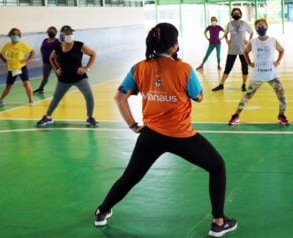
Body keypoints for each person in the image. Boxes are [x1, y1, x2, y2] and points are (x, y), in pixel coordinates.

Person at [94, 23, 237, 237]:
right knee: (217, 167)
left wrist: (133, 125)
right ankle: (218, 221)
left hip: (150, 135)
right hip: (181, 136)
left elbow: (119, 96)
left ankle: (101, 211)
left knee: (130, 176)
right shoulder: (184, 69)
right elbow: (198, 97)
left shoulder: (139, 68)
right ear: (173, 46)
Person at [228, 19, 289, 127]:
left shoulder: (273, 40)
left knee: (282, 97)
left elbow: (282, 50)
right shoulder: (253, 42)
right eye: (258, 27)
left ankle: (281, 115)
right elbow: (245, 52)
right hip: (258, 76)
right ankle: (236, 116)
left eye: (263, 26)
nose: (261, 28)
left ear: (267, 27)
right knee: (247, 97)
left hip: (272, 75)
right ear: (256, 29)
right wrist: (249, 63)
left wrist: (278, 62)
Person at [36, 25, 98, 127]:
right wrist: (57, 69)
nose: (70, 35)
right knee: (56, 98)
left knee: (89, 96)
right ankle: (48, 117)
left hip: (79, 77)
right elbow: (52, 58)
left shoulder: (79, 45)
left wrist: (86, 68)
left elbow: (93, 54)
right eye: (67, 33)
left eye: (71, 33)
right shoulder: (58, 47)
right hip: (64, 78)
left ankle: (90, 117)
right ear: (62, 35)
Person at [0, 28, 35, 107]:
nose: (15, 35)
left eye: (17, 34)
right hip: (11, 68)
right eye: (13, 34)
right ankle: (1, 100)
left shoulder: (22, 45)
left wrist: (27, 60)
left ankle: (30, 100)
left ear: (19, 35)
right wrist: (5, 61)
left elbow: (32, 52)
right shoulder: (6, 45)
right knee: (8, 86)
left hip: (21, 67)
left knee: (26, 84)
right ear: (10, 35)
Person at [212, 8, 253, 92]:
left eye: (238, 13)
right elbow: (226, 33)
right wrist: (226, 40)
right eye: (234, 13)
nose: (236, 14)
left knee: (244, 68)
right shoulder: (229, 24)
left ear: (240, 14)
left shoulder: (244, 23)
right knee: (228, 68)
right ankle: (221, 85)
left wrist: (249, 41)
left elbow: (251, 32)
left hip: (243, 50)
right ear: (232, 14)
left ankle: (244, 85)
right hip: (232, 50)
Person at [33, 26, 61, 94]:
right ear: (47, 32)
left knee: (59, 76)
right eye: (49, 31)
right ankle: (41, 88)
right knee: (45, 77)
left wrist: (59, 61)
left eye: (52, 31)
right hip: (46, 62)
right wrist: (43, 55)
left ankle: (61, 89)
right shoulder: (45, 40)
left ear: (56, 32)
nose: (51, 32)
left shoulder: (58, 41)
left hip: (55, 62)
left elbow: (60, 51)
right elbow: (41, 48)